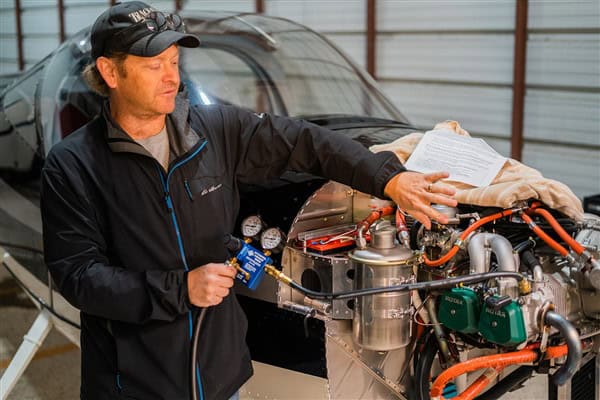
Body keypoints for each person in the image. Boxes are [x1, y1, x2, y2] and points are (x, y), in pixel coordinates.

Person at [40, 2, 457, 399]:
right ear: (109, 72)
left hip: (221, 377)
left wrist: (388, 178)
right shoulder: (73, 164)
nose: (172, 78)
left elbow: (304, 142)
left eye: (174, 62)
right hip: (131, 386)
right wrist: (180, 289)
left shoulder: (214, 131)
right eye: (154, 66)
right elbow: (78, 277)